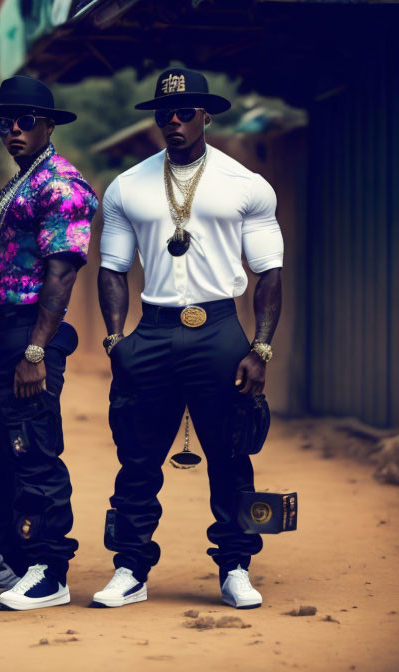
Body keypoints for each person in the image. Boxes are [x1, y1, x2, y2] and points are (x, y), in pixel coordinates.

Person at [93, 68, 283, 610]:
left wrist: (261, 347)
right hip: (151, 331)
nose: (173, 122)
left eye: (184, 112)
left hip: (220, 328)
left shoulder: (246, 184)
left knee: (232, 454)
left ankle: (236, 567)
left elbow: (270, 271)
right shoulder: (128, 185)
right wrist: (114, 340)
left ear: (206, 115)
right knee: (136, 456)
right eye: (164, 113)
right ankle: (130, 569)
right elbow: (111, 268)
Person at [0, 76, 97, 611]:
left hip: (29, 335)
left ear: (47, 126)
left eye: (24, 122)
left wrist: (36, 351)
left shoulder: (60, 185)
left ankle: (48, 567)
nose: (12, 131)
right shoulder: (17, 182)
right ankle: (13, 553)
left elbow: (61, 276)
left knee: (32, 450)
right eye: (3, 123)